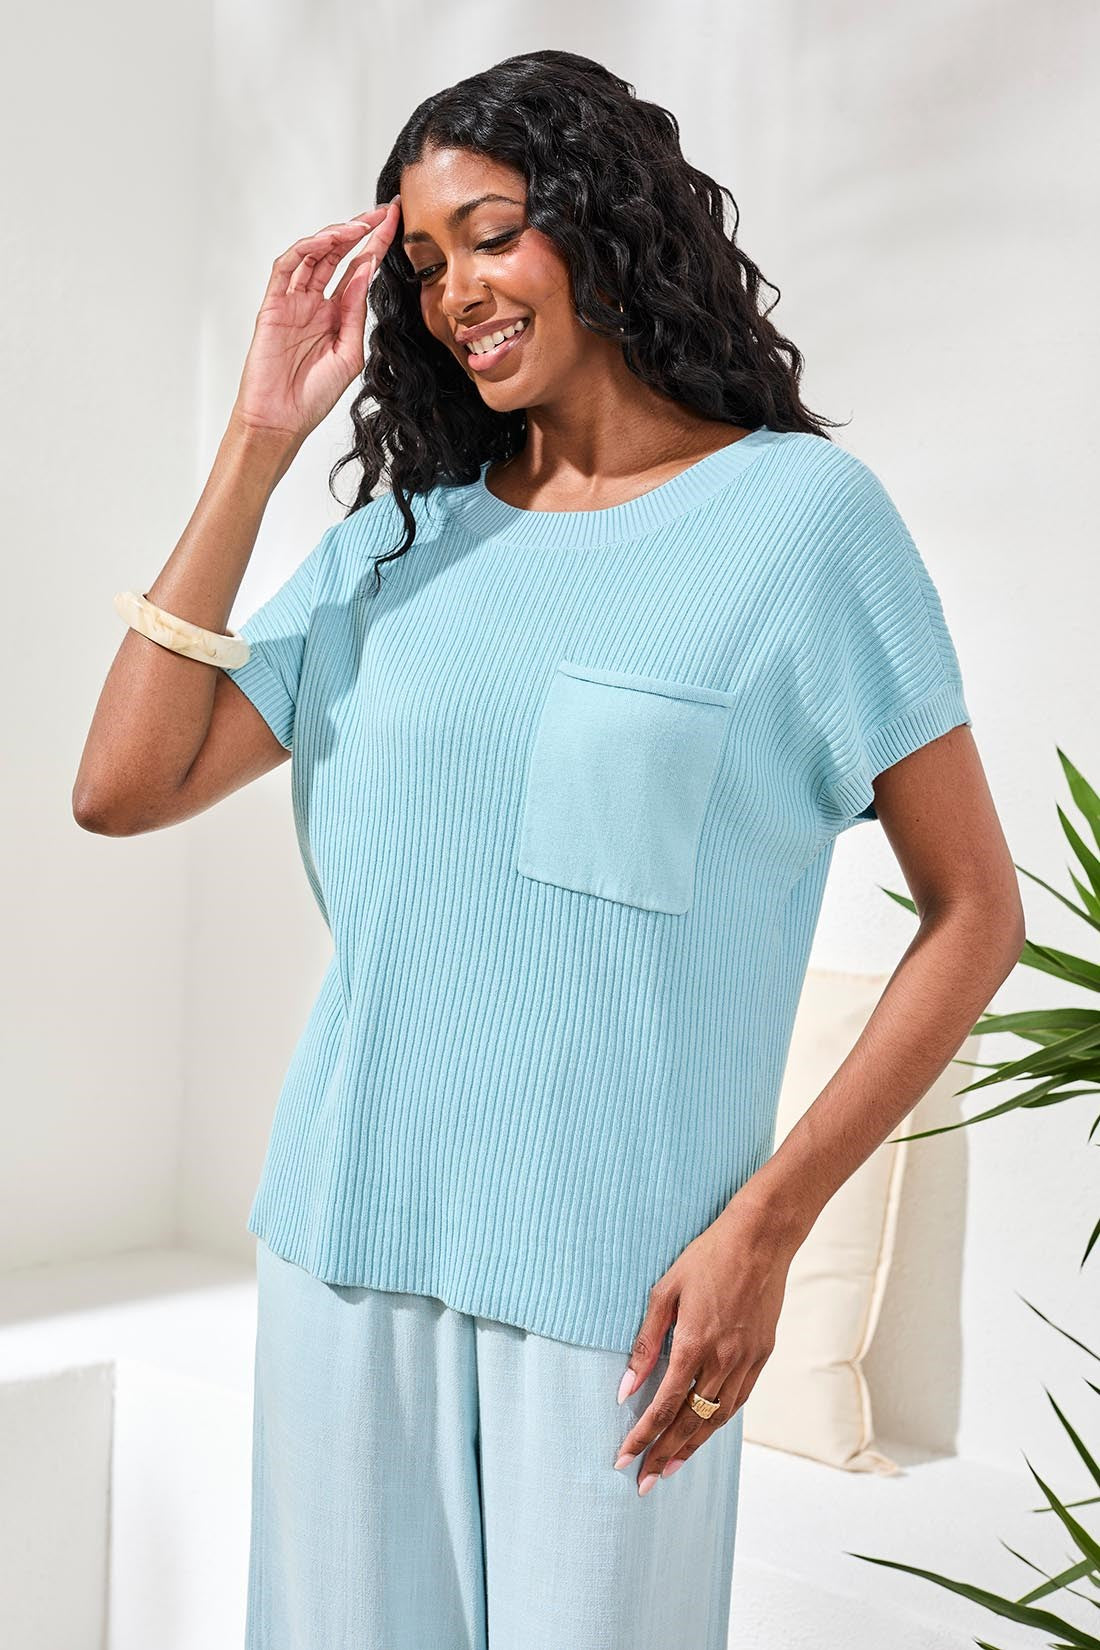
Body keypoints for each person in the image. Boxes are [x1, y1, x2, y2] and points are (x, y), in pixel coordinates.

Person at [74, 48, 1025, 1650]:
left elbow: (976, 910)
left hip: (626, 1300)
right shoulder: (403, 544)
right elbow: (122, 784)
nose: (456, 291)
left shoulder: (804, 525)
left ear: (602, 219)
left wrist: (766, 1228)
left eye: (494, 232)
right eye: (422, 261)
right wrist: (256, 435)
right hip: (344, 1247)